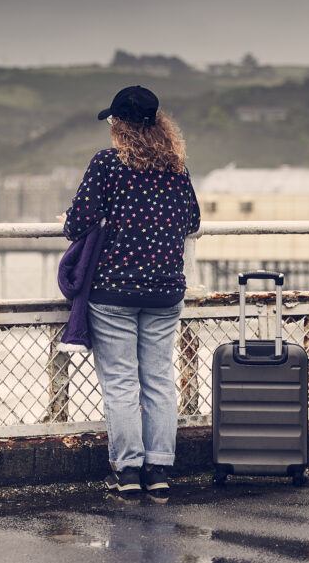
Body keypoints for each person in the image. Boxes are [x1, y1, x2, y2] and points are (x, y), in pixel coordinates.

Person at [61, 85, 200, 498]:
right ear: (159, 126)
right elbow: (191, 219)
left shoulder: (107, 164)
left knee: (121, 384)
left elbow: (77, 223)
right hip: (165, 290)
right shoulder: (177, 167)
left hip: (115, 292)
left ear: (119, 125)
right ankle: (158, 471)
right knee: (158, 380)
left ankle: (127, 473)